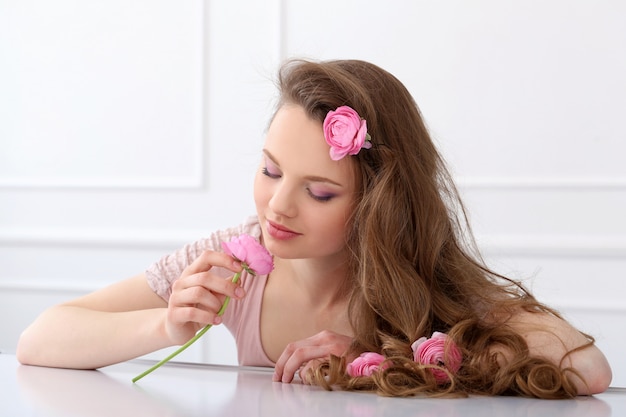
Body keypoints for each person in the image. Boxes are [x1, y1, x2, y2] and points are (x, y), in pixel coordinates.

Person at [17, 59, 612, 398]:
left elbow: (589, 370)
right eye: (270, 169)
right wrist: (168, 323)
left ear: (379, 203)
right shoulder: (232, 264)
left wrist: (385, 360)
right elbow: (41, 339)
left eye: (319, 191)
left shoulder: (421, 281)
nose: (277, 206)